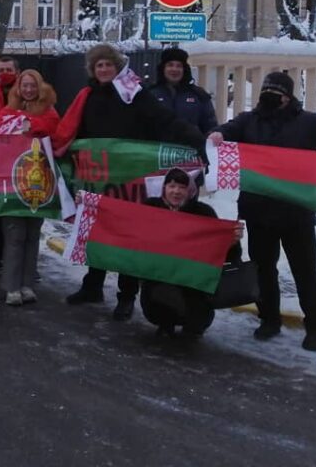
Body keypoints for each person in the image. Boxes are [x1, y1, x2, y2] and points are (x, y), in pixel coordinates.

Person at [208, 71, 316, 352]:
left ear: (288, 96)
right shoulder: (248, 121)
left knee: (306, 272)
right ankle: (269, 320)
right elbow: (225, 131)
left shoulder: (309, 123)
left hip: (296, 214)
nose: (271, 97)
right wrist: (217, 134)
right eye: (267, 92)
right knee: (263, 271)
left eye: (277, 93)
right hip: (259, 213)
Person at [62, 43, 205, 321]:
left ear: (117, 67)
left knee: (127, 236)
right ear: (93, 70)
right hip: (98, 179)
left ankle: (126, 296)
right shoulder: (87, 96)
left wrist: (194, 137)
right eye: (99, 65)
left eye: (109, 64)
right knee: (97, 231)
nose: (104, 69)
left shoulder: (133, 93)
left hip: (129, 180)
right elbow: (74, 131)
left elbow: (163, 118)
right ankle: (92, 286)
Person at [140, 168, 243, 340]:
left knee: (196, 315)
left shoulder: (204, 212)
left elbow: (227, 253)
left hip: (193, 281)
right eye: (172, 186)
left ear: (190, 191)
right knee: (159, 298)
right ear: (164, 188)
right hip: (160, 276)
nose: (176, 191)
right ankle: (165, 322)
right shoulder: (150, 207)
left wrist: (232, 240)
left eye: (182, 187)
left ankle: (195, 325)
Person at [0, 69, 60, 306]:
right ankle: (11, 287)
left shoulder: (49, 112)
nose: (29, 90)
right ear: (19, 88)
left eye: (33, 85)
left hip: (40, 183)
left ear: (40, 87)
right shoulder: (7, 111)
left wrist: (30, 123)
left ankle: (27, 284)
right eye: (25, 85)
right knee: (15, 234)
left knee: (33, 235)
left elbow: (56, 132)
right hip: (12, 182)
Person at [147, 47, 218, 135]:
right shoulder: (150, 95)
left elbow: (210, 127)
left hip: (191, 142)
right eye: (170, 65)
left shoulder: (199, 95)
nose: (174, 69)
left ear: (184, 70)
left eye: (179, 66)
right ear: (163, 69)